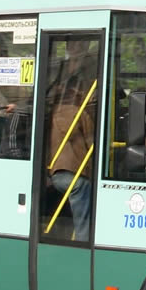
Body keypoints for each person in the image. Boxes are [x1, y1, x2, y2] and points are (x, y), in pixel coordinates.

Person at [47, 76, 95, 242]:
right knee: (83, 217)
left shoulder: (54, 112)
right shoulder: (80, 113)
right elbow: (92, 144)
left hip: (55, 174)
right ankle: (82, 243)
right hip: (75, 176)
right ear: (76, 92)